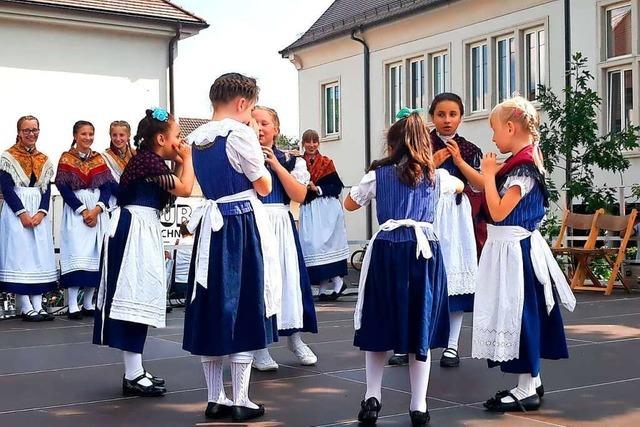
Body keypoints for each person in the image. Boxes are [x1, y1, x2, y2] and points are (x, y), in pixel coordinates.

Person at [345, 108, 462, 427]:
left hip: (388, 250)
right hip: (423, 254)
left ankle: (372, 396)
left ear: (393, 144)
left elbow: (351, 203)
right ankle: (419, 404)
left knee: (380, 320)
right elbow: (461, 188)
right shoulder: (438, 176)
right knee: (419, 324)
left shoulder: (377, 175)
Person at [182, 73, 280, 422]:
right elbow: (264, 186)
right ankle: (241, 397)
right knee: (243, 304)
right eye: (252, 108)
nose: (252, 115)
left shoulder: (197, 139)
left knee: (212, 305)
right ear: (242, 103)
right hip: (239, 224)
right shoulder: (239, 134)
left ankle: (214, 397)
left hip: (212, 225)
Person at [472, 96, 575, 412]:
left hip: (516, 250)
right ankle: (533, 377)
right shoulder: (524, 159)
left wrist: (489, 175)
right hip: (511, 248)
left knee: (520, 313)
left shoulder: (525, 168)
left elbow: (500, 211)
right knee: (520, 312)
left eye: (493, 130)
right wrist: (477, 172)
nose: (492, 138)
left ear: (510, 127)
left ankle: (526, 388)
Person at [93, 108, 194, 397]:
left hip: (140, 228)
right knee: (132, 295)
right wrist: (187, 159)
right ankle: (133, 373)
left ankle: (134, 370)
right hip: (132, 229)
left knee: (139, 295)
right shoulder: (148, 162)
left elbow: (172, 190)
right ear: (161, 138)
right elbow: (186, 189)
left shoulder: (150, 161)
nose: (179, 141)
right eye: (177, 136)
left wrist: (178, 160)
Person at [250, 106, 318, 371]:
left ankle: (294, 338)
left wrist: (277, 166)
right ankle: (260, 347)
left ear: (276, 128)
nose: (259, 128)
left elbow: (299, 196)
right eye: (254, 123)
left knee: (289, 280)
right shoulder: (243, 157)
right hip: (254, 221)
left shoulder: (291, 160)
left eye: (265, 123)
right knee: (261, 283)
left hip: (280, 220)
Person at [430, 92, 484, 368]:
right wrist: (436, 160)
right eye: (441, 114)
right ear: (432, 117)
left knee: (455, 280)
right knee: (423, 278)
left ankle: (452, 345)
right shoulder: (421, 143)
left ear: (461, 117)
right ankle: (413, 341)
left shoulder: (469, 148)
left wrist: (460, 162)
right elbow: (408, 174)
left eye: (453, 114)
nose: (447, 120)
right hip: (427, 214)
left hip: (456, 216)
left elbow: (481, 184)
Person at [0, 115, 57, 322]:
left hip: (37, 213)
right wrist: (22, 214)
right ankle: (25, 305)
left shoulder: (44, 159)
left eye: (34, 130)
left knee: (39, 255)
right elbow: (6, 189)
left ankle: (38, 303)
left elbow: (46, 189)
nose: (31, 134)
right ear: (19, 132)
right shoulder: (8, 157)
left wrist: (42, 212)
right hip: (18, 211)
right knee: (20, 256)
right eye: (27, 130)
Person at [56, 121, 114, 319]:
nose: (87, 138)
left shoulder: (98, 159)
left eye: (90, 134)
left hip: (97, 210)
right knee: (77, 253)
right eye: (83, 134)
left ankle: (88, 302)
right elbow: (63, 187)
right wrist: (82, 210)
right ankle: (73, 304)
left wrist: (97, 209)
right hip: (76, 210)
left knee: (96, 255)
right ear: (75, 135)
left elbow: (107, 186)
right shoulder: (66, 158)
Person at [299, 129, 349, 301]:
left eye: (315, 141)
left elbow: (337, 187)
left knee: (327, 244)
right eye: (308, 142)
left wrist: (317, 189)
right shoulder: (298, 162)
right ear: (303, 143)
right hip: (308, 208)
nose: (311, 145)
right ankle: (322, 285)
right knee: (311, 244)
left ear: (319, 143)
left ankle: (336, 281)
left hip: (326, 208)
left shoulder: (326, 163)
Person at [102, 120, 135, 207]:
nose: (118, 139)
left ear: (128, 136)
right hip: (115, 201)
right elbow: (108, 182)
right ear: (110, 136)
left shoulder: (136, 154)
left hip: (137, 200)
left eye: (121, 135)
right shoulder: (104, 157)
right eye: (114, 135)